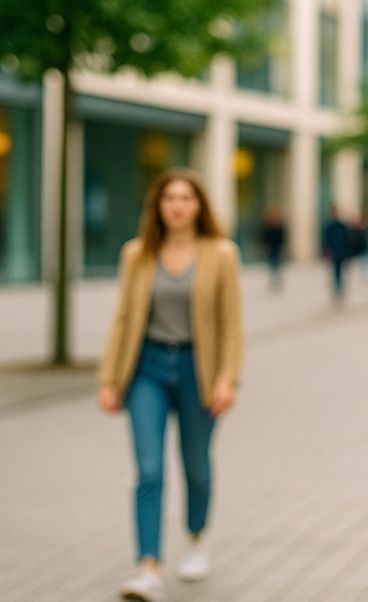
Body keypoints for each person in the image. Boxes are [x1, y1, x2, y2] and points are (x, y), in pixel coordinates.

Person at [97, 169, 243, 602]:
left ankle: (197, 537)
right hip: (148, 369)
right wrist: (109, 378)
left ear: (199, 205)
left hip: (199, 367)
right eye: (169, 198)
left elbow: (231, 324)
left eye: (186, 197)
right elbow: (123, 317)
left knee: (196, 465)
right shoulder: (137, 254)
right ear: (158, 206)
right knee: (149, 469)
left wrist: (227, 378)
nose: (178, 205)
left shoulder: (220, 253)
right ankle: (148, 567)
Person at [322, 206, 350, 302]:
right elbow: (326, 240)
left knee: (340, 270)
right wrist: (327, 251)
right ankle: (337, 286)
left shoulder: (342, 226)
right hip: (333, 252)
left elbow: (347, 239)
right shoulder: (329, 226)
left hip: (341, 252)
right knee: (335, 271)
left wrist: (347, 252)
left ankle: (339, 286)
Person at [259, 205, 286, 292]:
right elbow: (264, 237)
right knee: (271, 265)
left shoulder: (280, 226)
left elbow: (282, 238)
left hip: (277, 248)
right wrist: (264, 245)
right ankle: (273, 280)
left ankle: (277, 280)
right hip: (270, 249)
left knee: (277, 265)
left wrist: (282, 246)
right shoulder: (267, 225)